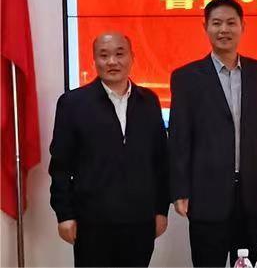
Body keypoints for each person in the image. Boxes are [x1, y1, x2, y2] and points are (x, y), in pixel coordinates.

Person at [168, 0, 257, 267]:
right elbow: (179, 138)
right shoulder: (186, 77)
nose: (224, 29)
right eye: (217, 23)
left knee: (249, 262)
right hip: (206, 193)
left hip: (251, 191)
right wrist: (180, 189)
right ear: (206, 27)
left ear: (243, 27)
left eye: (231, 23)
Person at [49, 32, 168, 267]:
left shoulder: (149, 101)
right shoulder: (73, 104)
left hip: (140, 222)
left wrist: (161, 210)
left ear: (132, 57)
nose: (112, 61)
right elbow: (60, 166)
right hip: (92, 223)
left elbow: (161, 162)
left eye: (119, 54)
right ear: (94, 60)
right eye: (104, 55)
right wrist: (65, 214)